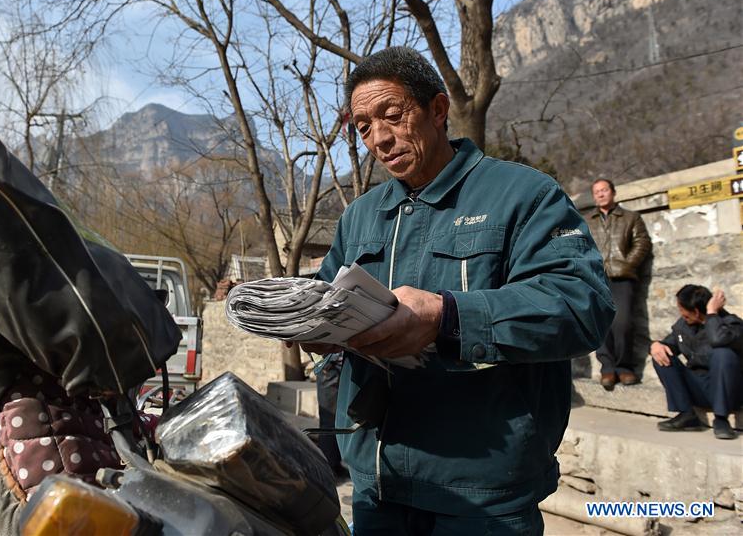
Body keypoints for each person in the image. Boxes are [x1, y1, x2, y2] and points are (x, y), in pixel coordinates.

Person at [305, 46, 614, 535]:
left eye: (392, 115)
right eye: (363, 127)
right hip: (376, 484)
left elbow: (582, 306)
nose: (379, 138)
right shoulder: (358, 216)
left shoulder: (523, 195)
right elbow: (325, 297)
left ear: (438, 110)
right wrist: (308, 327)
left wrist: (447, 317)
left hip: (483, 492)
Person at [650, 285, 743, 440]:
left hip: (728, 391)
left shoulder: (732, 325)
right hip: (699, 387)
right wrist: (654, 345)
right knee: (660, 354)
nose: (680, 312)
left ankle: (721, 418)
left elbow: (718, 339)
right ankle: (687, 414)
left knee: (723, 353)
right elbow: (669, 345)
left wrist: (712, 313)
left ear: (697, 312)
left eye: (682, 309)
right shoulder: (684, 326)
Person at [586, 178, 652, 389]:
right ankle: (607, 368)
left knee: (623, 322)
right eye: (596, 192)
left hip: (623, 277)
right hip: (597, 279)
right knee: (600, 323)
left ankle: (625, 367)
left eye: (604, 190)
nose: (601, 194)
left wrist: (627, 264)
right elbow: (581, 247)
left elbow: (642, 243)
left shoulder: (631, 218)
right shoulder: (587, 221)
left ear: (613, 192)